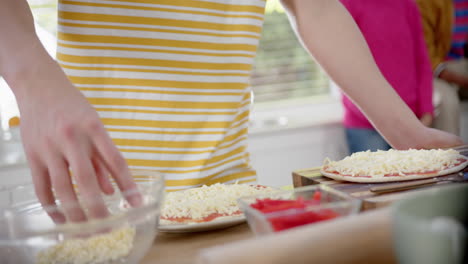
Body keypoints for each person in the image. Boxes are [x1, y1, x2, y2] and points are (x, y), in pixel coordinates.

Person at [0, 0, 462, 223]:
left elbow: (315, 8)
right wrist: (33, 78)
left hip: (230, 200)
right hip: (105, 208)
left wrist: (404, 131)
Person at [337, 0, 434, 154]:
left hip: (410, 121)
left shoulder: (407, 4)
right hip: (365, 126)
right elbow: (343, 68)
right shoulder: (347, 4)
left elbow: (421, 60)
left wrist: (427, 111)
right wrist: (381, 119)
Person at [416, 0, 468, 136]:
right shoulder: (424, 3)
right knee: (446, 103)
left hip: (461, 63)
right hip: (432, 70)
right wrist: (461, 80)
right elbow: (425, 57)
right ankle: (449, 154)